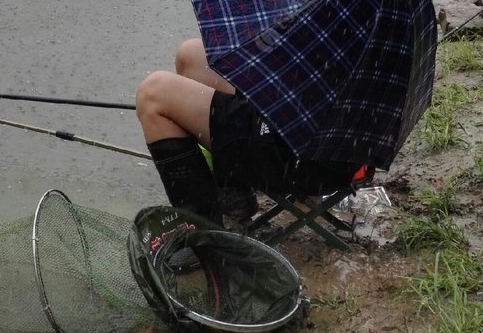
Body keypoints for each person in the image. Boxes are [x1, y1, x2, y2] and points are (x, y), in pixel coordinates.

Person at [136, 38, 359, 223]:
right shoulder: (368, 18)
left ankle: (203, 234)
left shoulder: (353, 24)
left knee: (153, 94)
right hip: (297, 117)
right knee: (193, 56)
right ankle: (235, 194)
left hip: (296, 150)